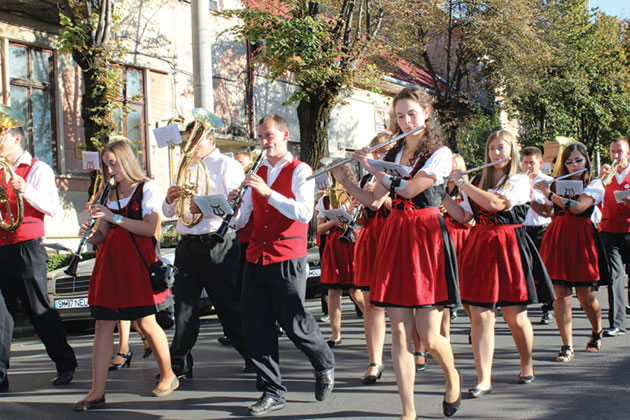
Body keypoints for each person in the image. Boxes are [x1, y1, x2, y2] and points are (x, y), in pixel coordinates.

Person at [333, 87, 461, 420]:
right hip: (396, 235)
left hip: (426, 237)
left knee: (429, 335)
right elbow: (374, 201)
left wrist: (372, 167)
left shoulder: (440, 153)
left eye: (412, 114)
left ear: (426, 114)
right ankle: (408, 412)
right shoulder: (393, 153)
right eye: (400, 116)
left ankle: (453, 376)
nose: (405, 121)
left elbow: (410, 189)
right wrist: (345, 179)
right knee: (400, 332)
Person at [233, 113, 335, 416]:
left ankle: (323, 361)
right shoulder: (257, 170)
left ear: (284, 134)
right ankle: (272, 391)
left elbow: (304, 213)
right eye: (261, 137)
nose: (264, 142)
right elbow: (242, 219)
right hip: (256, 255)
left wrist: (268, 192)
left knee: (294, 321)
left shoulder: (300, 170)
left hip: (287, 255)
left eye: (269, 135)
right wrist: (233, 203)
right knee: (256, 325)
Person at [445, 130, 554, 397]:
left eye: (501, 148)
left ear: (512, 150)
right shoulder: (478, 180)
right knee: (481, 315)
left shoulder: (519, 179)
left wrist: (463, 185)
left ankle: (526, 364)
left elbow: (496, 204)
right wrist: (439, 193)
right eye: (492, 148)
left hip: (509, 244)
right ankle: (484, 379)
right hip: (480, 244)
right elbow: (464, 216)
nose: (496, 153)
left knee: (515, 316)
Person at [74, 140, 177, 410]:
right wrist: (89, 233)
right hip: (109, 264)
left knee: (146, 322)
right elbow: (102, 235)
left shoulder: (146, 188)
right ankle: (97, 391)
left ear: (126, 161)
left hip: (136, 264)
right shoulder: (107, 192)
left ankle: (168, 374)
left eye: (113, 163)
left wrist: (114, 217)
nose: (109, 170)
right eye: (106, 164)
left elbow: (149, 228)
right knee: (103, 324)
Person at [162, 124, 252, 378]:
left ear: (211, 139)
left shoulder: (227, 165)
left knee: (227, 305)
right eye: (188, 141)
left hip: (217, 243)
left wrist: (205, 208)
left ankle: (254, 356)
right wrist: (169, 199)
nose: (190, 147)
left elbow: (240, 213)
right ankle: (179, 364)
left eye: (196, 141)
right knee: (184, 306)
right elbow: (168, 212)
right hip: (187, 244)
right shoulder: (186, 165)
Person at [0, 113, 77, 393]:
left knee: (38, 309)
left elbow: (52, 207)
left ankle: (65, 362)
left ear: (15, 138)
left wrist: (26, 189)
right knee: (1, 316)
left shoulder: (37, 168)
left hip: (27, 247)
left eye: (1, 136)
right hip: (1, 247)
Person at [534, 142, 607, 362]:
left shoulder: (593, 184)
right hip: (558, 236)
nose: (574, 165)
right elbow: (547, 212)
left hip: (582, 239)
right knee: (561, 296)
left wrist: (549, 194)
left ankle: (597, 330)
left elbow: (578, 207)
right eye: (569, 162)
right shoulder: (556, 183)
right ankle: (567, 345)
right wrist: (530, 196)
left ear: (586, 161)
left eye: (578, 160)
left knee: (586, 297)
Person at [350, 132, 392, 385]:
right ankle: (375, 361)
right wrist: (357, 204)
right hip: (372, 238)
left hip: (395, 236)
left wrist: (378, 199)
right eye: (376, 151)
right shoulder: (367, 177)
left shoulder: (398, 173)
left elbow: (402, 206)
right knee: (371, 303)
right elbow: (363, 219)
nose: (379, 155)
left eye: (383, 151)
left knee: (403, 302)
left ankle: (417, 349)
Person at [316, 179, 365, 347]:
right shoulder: (325, 200)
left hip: (352, 243)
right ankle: (335, 334)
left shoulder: (355, 195)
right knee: (333, 291)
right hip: (334, 244)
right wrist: (332, 222)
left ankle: (373, 323)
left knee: (355, 290)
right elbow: (319, 229)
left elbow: (363, 221)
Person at [521, 146, 555, 325]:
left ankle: (548, 308)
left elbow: (549, 211)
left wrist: (532, 197)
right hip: (523, 229)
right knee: (524, 269)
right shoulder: (519, 180)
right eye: (525, 163)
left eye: (531, 163)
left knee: (544, 270)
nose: (528, 167)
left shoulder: (548, 182)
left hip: (542, 229)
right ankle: (522, 308)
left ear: (540, 163)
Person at [600, 138, 630, 337]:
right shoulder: (607, 175)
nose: (615, 156)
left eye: (619, 151)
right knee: (614, 277)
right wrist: (599, 180)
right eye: (612, 152)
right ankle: (617, 323)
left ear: (628, 153)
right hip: (610, 231)